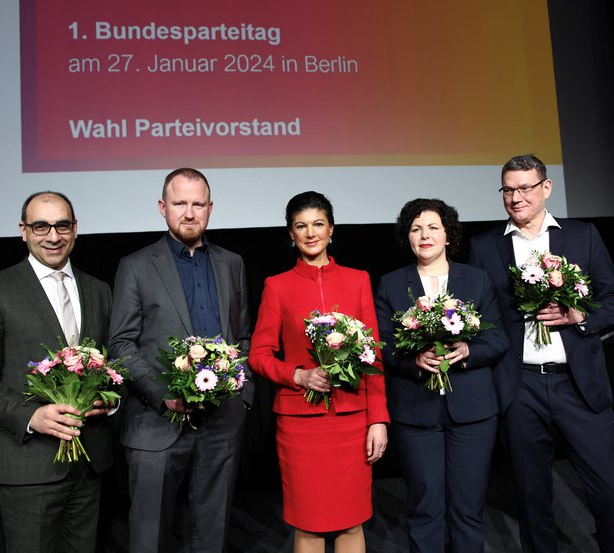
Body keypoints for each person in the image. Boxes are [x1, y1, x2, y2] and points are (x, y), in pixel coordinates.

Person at [469, 154, 614, 553]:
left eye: (525, 188)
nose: (516, 198)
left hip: (579, 384)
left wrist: (580, 314)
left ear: (546, 188)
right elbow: (480, 319)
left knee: (608, 489)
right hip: (521, 388)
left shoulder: (582, 235)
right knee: (533, 500)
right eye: (508, 190)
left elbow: (612, 298)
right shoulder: (484, 248)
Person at [0, 191, 113, 553]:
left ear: (75, 230)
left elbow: (112, 365)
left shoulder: (99, 290)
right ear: (23, 231)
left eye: (62, 225)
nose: (53, 235)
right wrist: (32, 416)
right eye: (40, 225)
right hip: (27, 465)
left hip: (90, 465)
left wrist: (110, 401)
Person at [109, 168, 253, 553]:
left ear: (210, 208)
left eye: (198, 204)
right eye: (180, 203)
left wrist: (242, 396)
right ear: (162, 207)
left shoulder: (232, 263)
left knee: (211, 535)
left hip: (221, 421)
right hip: (156, 421)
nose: (189, 213)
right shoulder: (136, 265)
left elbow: (243, 338)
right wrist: (163, 395)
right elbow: (121, 344)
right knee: (149, 538)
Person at [248, 191, 389, 553]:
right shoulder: (277, 286)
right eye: (301, 226)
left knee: (352, 521)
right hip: (301, 424)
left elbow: (372, 357)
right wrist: (298, 376)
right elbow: (259, 355)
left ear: (331, 230)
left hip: (351, 420)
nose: (310, 233)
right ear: (290, 234)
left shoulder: (358, 280)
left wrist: (378, 420)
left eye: (318, 224)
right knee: (308, 526)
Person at [375, 198, 507, 553]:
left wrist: (468, 350)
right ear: (408, 237)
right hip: (416, 414)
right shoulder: (390, 284)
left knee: (468, 508)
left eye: (433, 227)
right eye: (416, 229)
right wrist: (413, 359)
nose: (425, 235)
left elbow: (498, 338)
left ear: (448, 234)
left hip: (473, 414)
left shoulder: (477, 280)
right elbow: (382, 346)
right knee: (424, 508)